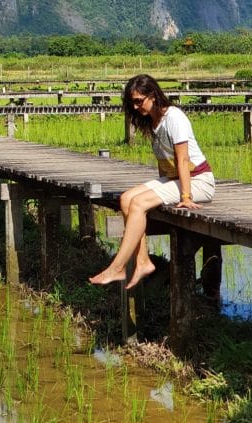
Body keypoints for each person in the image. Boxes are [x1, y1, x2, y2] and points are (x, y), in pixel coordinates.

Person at [89, 73, 215, 289]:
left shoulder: (174, 117)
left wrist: (186, 197)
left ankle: (117, 267)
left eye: (139, 101)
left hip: (199, 181)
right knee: (127, 199)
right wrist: (160, 189)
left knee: (138, 204)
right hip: (174, 179)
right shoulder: (154, 122)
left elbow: (183, 160)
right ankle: (143, 261)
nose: (136, 107)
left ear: (153, 95)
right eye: (133, 103)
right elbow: (165, 165)